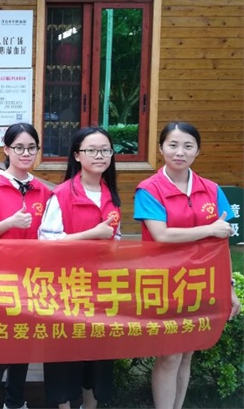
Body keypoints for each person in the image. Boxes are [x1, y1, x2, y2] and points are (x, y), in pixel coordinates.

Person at [133, 121, 241, 409]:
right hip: (164, 283)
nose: (179, 152)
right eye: (173, 145)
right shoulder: (149, 189)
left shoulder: (212, 190)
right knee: (169, 354)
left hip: (201, 282)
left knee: (187, 353)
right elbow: (162, 235)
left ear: (197, 151)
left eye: (187, 146)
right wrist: (209, 230)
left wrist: (229, 286)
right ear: (161, 148)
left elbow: (221, 244)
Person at [39, 127, 121, 409]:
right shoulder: (61, 194)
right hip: (66, 290)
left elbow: (116, 240)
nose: (99, 156)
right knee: (65, 360)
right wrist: (92, 234)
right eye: (91, 150)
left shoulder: (111, 195)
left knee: (97, 360)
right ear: (77, 155)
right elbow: (46, 242)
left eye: (105, 150)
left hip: (102, 291)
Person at [0, 123, 52, 409]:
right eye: (19, 147)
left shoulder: (42, 190)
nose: (25, 153)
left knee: (23, 346)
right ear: (6, 149)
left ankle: (16, 402)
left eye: (31, 147)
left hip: (32, 281)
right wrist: (10, 223)